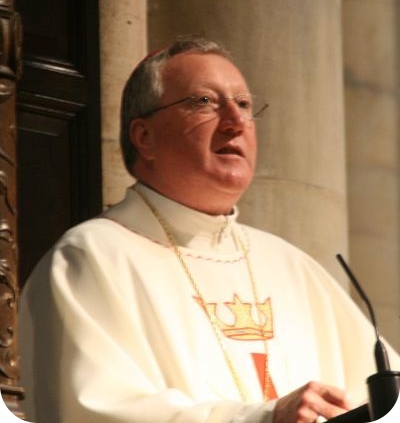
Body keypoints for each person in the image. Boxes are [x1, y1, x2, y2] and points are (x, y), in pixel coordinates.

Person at [19, 37, 399, 423]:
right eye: (204, 102)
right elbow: (94, 411)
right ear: (144, 137)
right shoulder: (91, 258)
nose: (235, 123)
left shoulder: (291, 265)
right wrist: (265, 418)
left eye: (245, 105)